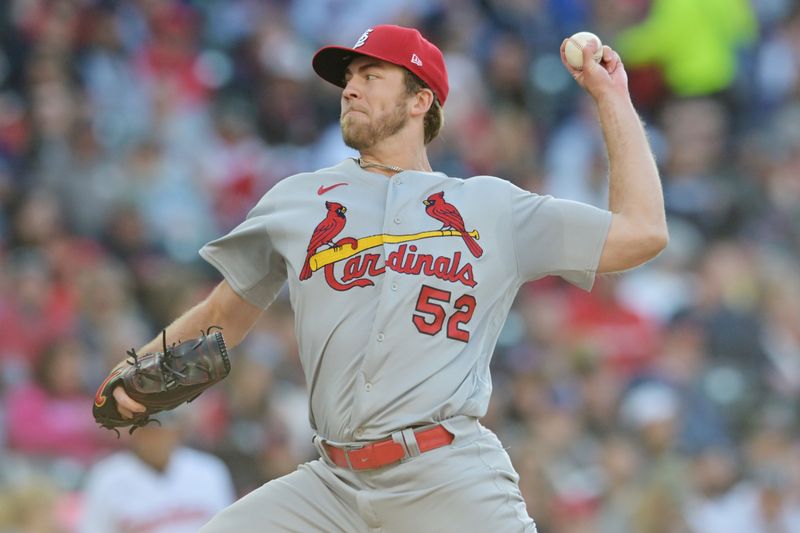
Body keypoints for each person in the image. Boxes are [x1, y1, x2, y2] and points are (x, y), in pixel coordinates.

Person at [109, 24, 667, 532]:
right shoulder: (298, 200)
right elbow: (220, 317)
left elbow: (641, 231)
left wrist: (610, 96)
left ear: (421, 100)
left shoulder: (491, 207)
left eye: (372, 76)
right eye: (348, 78)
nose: (350, 89)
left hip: (447, 478)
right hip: (332, 486)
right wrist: (133, 373)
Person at [79, 410, 236, 533]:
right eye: (149, 431)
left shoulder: (209, 469)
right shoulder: (107, 476)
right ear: (135, 433)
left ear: (178, 431)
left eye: (163, 429)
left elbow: (230, 527)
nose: (157, 438)